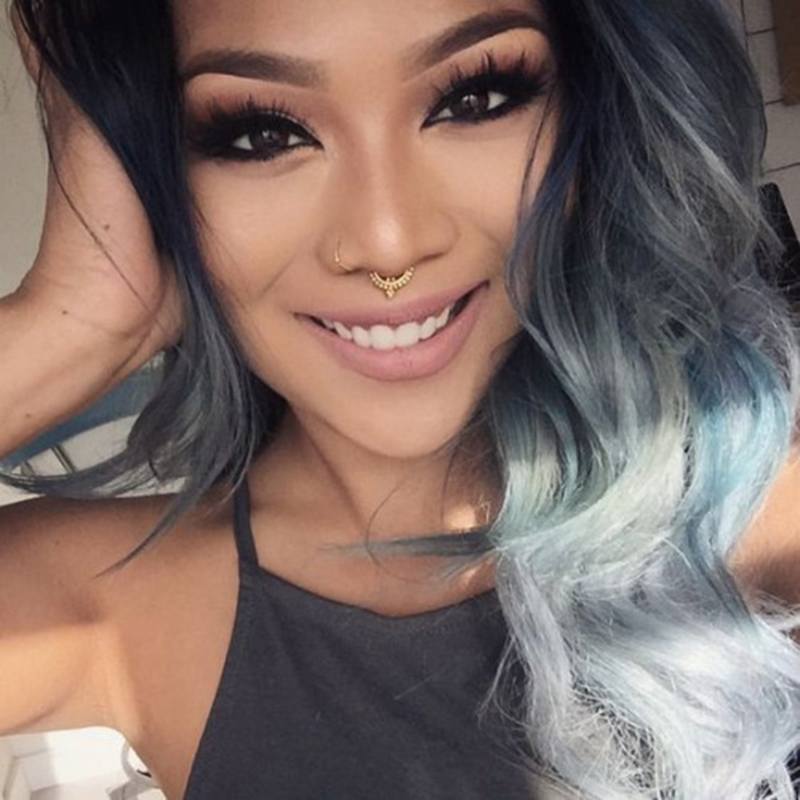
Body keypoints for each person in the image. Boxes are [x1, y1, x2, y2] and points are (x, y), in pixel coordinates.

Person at [1, 0, 800, 798]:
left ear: (587, 120)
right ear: (162, 179)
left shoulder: (758, 509)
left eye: (475, 98)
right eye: (263, 135)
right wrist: (78, 319)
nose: (387, 244)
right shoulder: (117, 606)